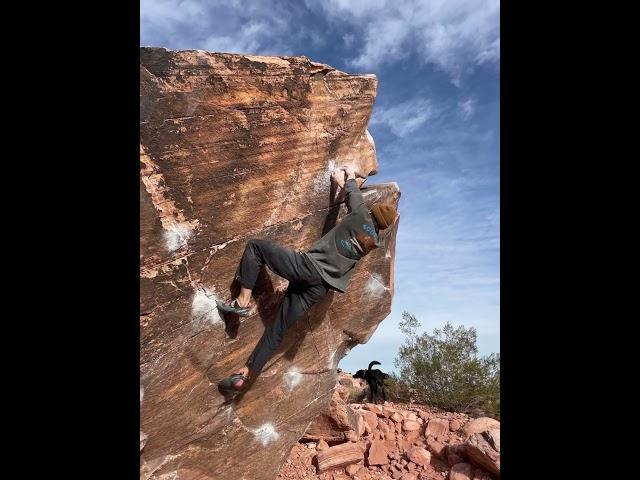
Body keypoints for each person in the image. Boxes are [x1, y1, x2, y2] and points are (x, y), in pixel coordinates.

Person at [217, 165, 398, 393]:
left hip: (307, 268)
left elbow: (352, 191)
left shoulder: (361, 214)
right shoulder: (373, 242)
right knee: (277, 330)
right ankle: (245, 375)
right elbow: (348, 200)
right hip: (320, 289)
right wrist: (341, 185)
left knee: (256, 248)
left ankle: (242, 301)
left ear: (372, 212)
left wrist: (348, 174)